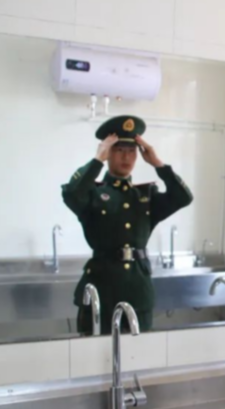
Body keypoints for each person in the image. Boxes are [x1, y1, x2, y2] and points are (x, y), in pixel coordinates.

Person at [62, 115, 193, 334]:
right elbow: (72, 195)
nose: (126, 157)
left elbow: (183, 198)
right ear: (108, 152)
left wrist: (158, 164)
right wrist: (97, 160)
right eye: (119, 150)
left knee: (138, 352)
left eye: (132, 151)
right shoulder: (93, 193)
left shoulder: (145, 196)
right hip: (101, 290)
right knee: (94, 352)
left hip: (138, 290)